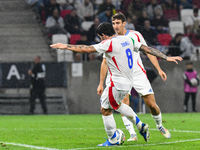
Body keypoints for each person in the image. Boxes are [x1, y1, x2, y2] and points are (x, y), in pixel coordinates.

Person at [50, 22, 182, 146]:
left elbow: (87, 49)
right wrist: (166, 57)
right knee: (114, 105)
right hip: (128, 82)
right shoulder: (128, 39)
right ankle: (138, 126)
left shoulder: (108, 43)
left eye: (100, 37)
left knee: (106, 109)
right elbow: (147, 49)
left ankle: (115, 138)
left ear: (103, 35)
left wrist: (66, 46)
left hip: (117, 83)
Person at [96, 12, 172, 141]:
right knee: (123, 103)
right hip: (120, 76)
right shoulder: (110, 40)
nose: (115, 26)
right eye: (113, 23)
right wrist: (101, 83)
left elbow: (148, 51)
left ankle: (159, 126)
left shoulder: (135, 35)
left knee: (151, 105)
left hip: (137, 74)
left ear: (124, 23)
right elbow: (104, 62)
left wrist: (158, 69)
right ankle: (133, 134)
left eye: (118, 23)